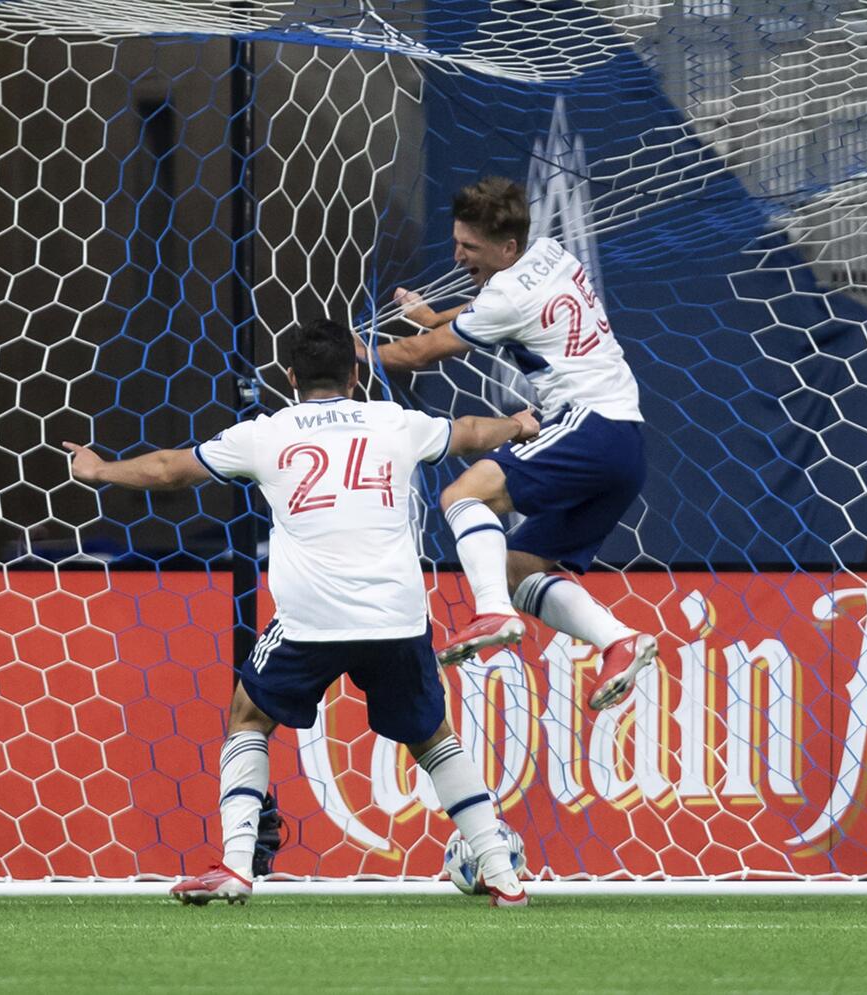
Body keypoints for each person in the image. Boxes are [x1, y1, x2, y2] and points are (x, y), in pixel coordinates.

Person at [65, 319, 541, 907]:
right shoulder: (394, 422)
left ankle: (237, 867)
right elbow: (468, 431)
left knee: (248, 716)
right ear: (357, 374)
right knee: (433, 739)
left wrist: (98, 469)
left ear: (290, 378)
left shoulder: (265, 432)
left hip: (310, 618)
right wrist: (516, 425)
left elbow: (168, 469)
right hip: (396, 613)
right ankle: (504, 876)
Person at [370, 177, 654, 712]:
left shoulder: (503, 297)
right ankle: (620, 640)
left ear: (506, 248)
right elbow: (486, 312)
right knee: (517, 566)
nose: (457, 258)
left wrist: (358, 357)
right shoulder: (550, 252)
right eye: (455, 242)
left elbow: (423, 353)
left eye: (469, 248)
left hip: (590, 428)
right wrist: (434, 316)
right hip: (626, 446)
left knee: (462, 497)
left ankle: (494, 615)